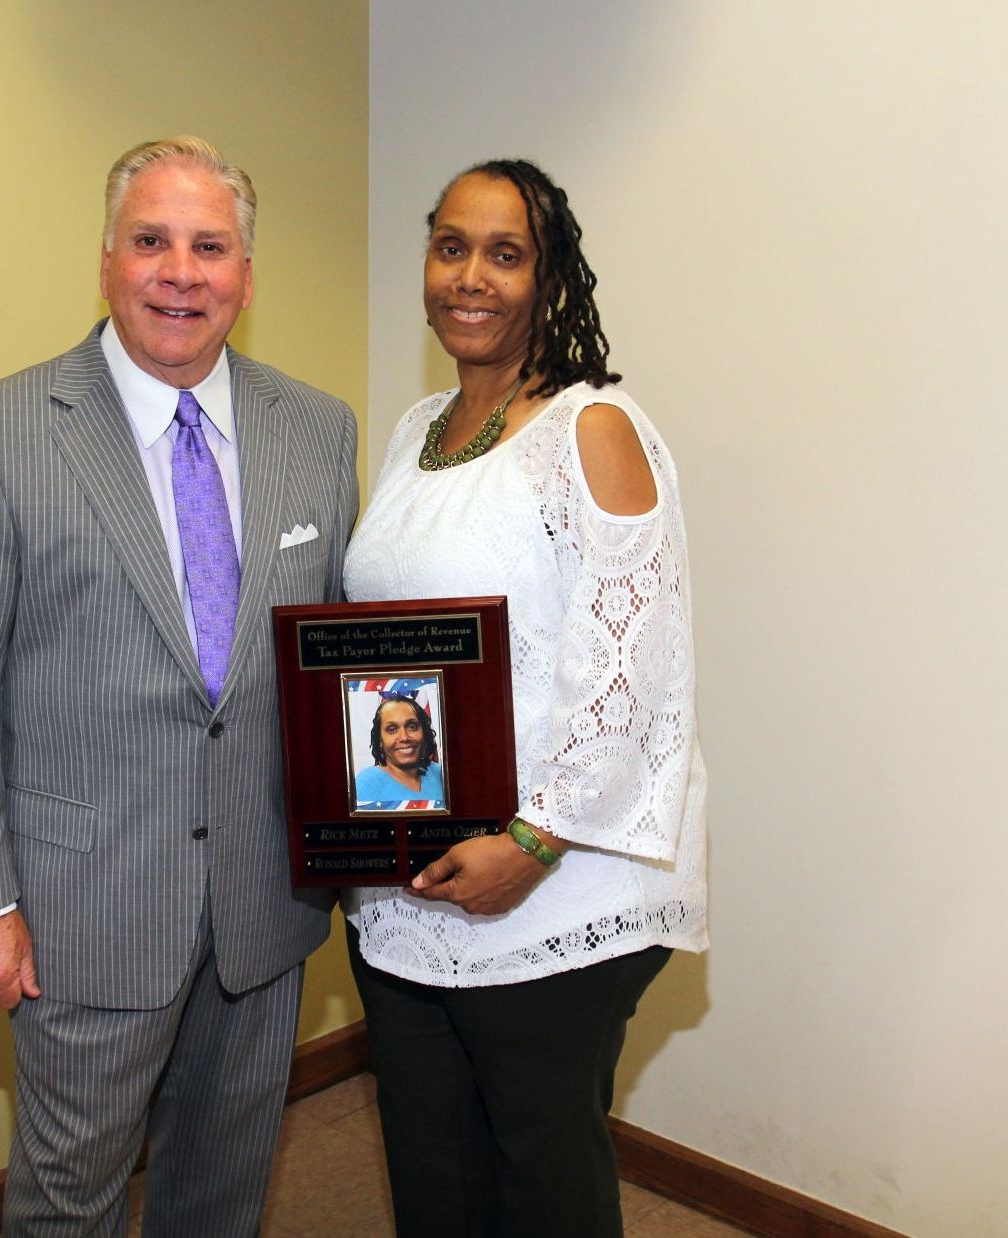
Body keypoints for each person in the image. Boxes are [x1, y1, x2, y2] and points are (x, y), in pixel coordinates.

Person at [0, 136, 358, 1237]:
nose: (180, 272)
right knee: (69, 1197)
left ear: (247, 272)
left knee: (224, 1181)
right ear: (107, 261)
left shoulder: (318, 430)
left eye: (210, 246)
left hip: (263, 900)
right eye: (151, 241)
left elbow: (333, 656)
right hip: (79, 909)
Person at [342, 158, 707, 1237]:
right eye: (451, 245)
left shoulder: (591, 427)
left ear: (550, 278)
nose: (471, 276)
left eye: (506, 253)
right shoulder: (418, 432)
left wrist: (534, 840)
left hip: (558, 880)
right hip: (411, 875)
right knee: (430, 1157)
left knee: (541, 1169)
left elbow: (635, 666)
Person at [354, 693, 445, 807]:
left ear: (424, 732)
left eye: (412, 726)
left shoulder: (439, 773)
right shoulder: (365, 784)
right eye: (392, 729)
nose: (404, 737)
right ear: (380, 740)